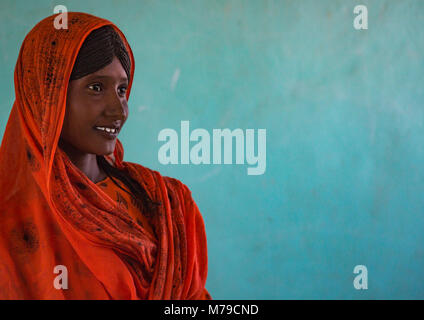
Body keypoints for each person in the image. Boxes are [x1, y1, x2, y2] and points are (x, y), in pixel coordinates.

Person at [0, 11, 211, 300]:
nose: (119, 109)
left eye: (122, 89)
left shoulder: (169, 202)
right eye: (96, 88)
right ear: (47, 96)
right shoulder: (11, 226)